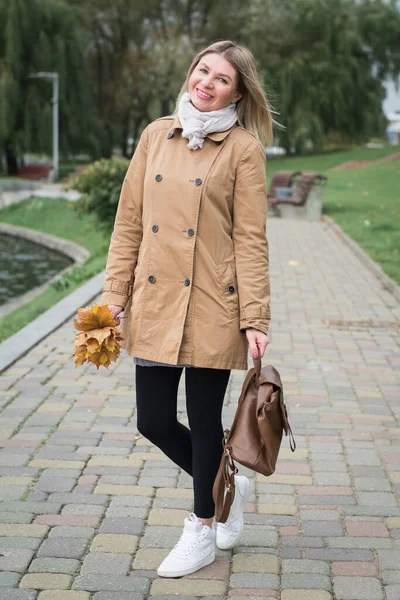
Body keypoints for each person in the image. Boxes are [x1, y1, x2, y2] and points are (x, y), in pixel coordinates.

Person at [102, 40, 272, 577]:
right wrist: (114, 296)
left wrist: (256, 319)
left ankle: (202, 527)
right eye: (203, 71)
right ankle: (227, 480)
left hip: (212, 304)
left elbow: (250, 239)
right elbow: (129, 221)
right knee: (152, 420)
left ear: (238, 92)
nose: (207, 83)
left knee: (203, 418)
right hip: (155, 298)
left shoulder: (243, 149)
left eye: (222, 78)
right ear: (191, 73)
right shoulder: (156, 134)